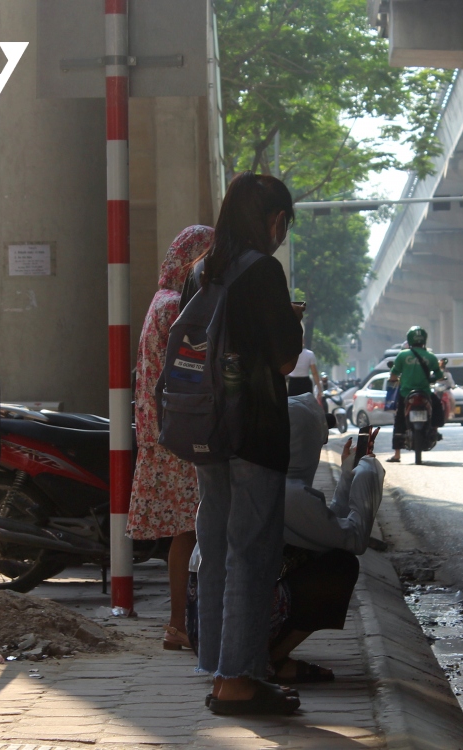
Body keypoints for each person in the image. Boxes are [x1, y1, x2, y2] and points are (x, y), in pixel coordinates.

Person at [179, 172, 304, 716]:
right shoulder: (264, 272)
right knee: (251, 552)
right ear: (274, 220)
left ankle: (221, 666)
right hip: (254, 429)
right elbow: (282, 360)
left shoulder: (199, 272)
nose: (281, 233)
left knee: (216, 546)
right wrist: (292, 323)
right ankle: (237, 681)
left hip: (207, 431)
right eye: (283, 224)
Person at [127, 225, 212, 651]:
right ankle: (180, 622)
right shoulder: (179, 304)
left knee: (187, 530)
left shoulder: (161, 300)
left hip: (161, 430)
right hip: (177, 432)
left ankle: (182, 621)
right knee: (190, 530)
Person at [271, 393, 385, 683]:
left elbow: (324, 528)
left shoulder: (267, 479)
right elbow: (353, 540)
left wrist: (346, 477)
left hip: (210, 628)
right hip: (236, 622)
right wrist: (368, 473)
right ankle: (269, 660)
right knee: (339, 566)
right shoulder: (290, 494)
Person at [386, 326, 444, 463]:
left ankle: (397, 454)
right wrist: (431, 379)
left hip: (406, 394)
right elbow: (439, 375)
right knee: (437, 407)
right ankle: (435, 430)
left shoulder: (402, 355)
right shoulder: (430, 356)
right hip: (425, 393)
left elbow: (393, 374)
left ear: (409, 340)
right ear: (424, 340)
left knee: (399, 420)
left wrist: (394, 380)